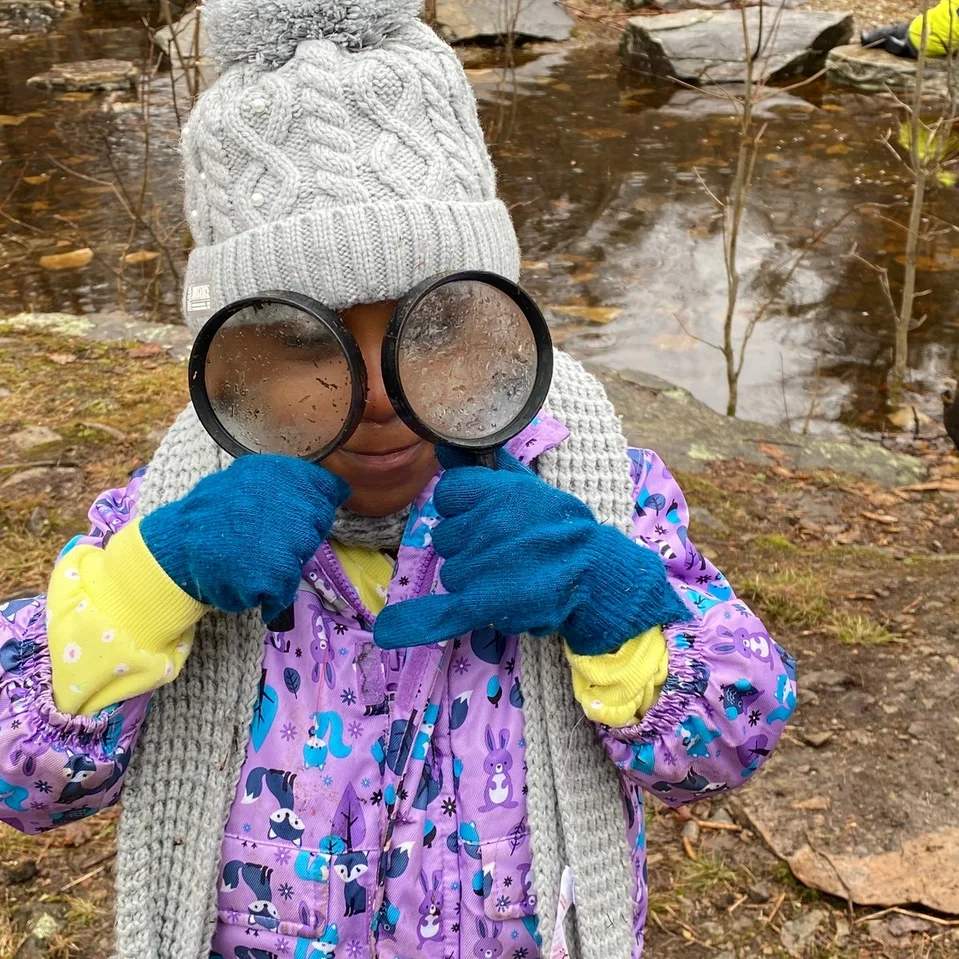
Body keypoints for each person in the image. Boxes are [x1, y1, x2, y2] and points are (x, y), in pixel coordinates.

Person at [0, 1, 795, 957]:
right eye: (303, 340)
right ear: (230, 361)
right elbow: (25, 776)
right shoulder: (180, 516)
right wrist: (143, 585)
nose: (377, 396)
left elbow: (717, 749)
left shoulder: (593, 496)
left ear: (500, 325)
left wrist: (610, 600)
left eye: (437, 327)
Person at [861, 0, 958, 58]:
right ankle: (902, 45)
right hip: (944, 49)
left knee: (900, 28)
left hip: (918, 33)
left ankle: (870, 37)